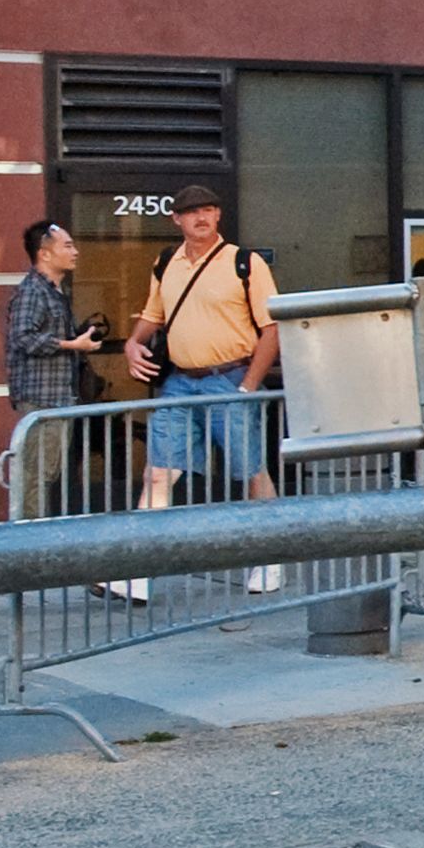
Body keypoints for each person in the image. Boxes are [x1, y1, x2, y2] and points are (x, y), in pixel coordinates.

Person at [123, 187, 285, 599]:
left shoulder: (243, 263)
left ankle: (270, 560)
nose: (202, 217)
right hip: (181, 379)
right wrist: (132, 342)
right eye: (192, 212)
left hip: (229, 377)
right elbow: (153, 315)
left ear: (218, 216)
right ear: (175, 218)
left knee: (251, 471)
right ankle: (136, 573)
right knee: (158, 471)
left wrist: (249, 385)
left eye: (209, 210)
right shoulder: (166, 262)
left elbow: (272, 328)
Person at [2, 219, 106, 519]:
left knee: (43, 474)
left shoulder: (52, 291)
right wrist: (73, 345)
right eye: (68, 246)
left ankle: (31, 541)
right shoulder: (33, 290)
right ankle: (27, 545)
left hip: (55, 398)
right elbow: (22, 337)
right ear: (44, 254)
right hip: (41, 399)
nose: (75, 252)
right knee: (36, 476)